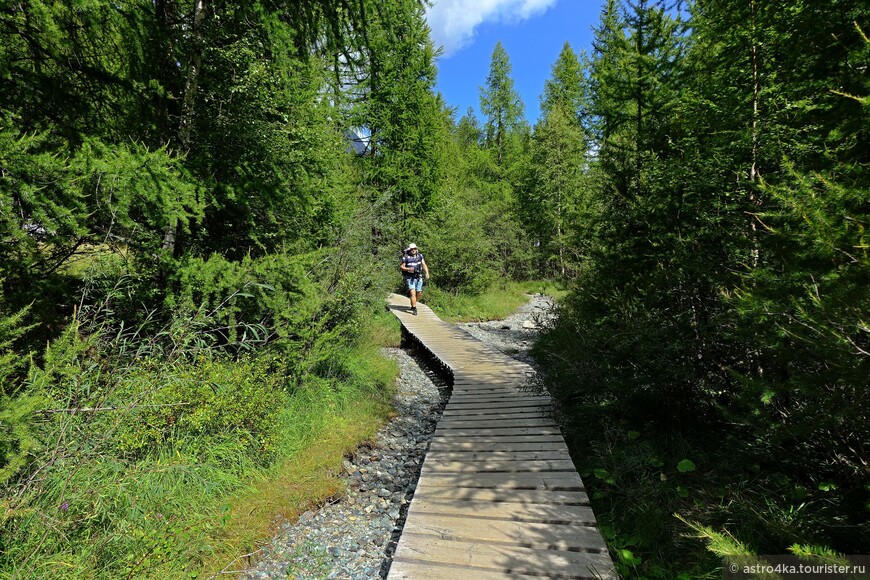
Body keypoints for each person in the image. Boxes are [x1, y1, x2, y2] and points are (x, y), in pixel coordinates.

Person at [400, 243, 429, 315]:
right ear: (409, 250)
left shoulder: (420, 256)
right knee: (412, 293)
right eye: (412, 249)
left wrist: (427, 273)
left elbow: (424, 264)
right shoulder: (405, 257)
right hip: (410, 277)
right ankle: (414, 308)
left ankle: (413, 302)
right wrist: (408, 269)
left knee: (419, 293)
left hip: (419, 276)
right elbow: (402, 267)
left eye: (414, 249)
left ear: (416, 249)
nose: (413, 250)